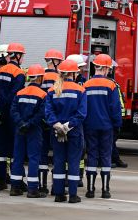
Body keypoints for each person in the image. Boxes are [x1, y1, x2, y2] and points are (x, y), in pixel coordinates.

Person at [45, 59, 87, 203]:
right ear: (73, 74)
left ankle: (59, 194)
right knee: (74, 162)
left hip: (57, 132)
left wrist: (58, 126)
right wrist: (67, 126)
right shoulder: (80, 90)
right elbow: (81, 114)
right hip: (74, 131)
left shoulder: (52, 90)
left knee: (59, 161)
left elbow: (48, 112)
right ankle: (73, 195)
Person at [83, 54, 123, 198]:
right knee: (106, 155)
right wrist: (117, 124)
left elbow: (83, 107)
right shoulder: (111, 85)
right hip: (106, 126)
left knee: (92, 155)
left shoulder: (86, 85)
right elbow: (115, 108)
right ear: (105, 68)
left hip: (90, 126)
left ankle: (90, 190)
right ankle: (105, 190)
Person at [9, 64, 47, 198]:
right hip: (33, 130)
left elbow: (13, 111)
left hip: (20, 129)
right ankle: (32, 190)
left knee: (18, 157)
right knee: (33, 158)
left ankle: (15, 187)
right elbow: (41, 114)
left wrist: (21, 123)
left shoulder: (20, 93)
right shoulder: (43, 94)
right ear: (40, 78)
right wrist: (29, 124)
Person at [0, 42, 26, 190]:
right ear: (17, 56)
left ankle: (0, 180)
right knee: (15, 149)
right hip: (12, 116)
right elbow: (15, 96)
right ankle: (17, 180)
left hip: (0, 115)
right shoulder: (19, 73)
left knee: (1, 148)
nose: (23, 58)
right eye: (22, 56)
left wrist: (0, 111)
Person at [37, 49, 64, 194]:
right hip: (55, 120)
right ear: (56, 61)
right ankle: (56, 186)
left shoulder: (40, 76)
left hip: (42, 120)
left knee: (42, 152)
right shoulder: (59, 77)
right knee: (57, 153)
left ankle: (42, 186)